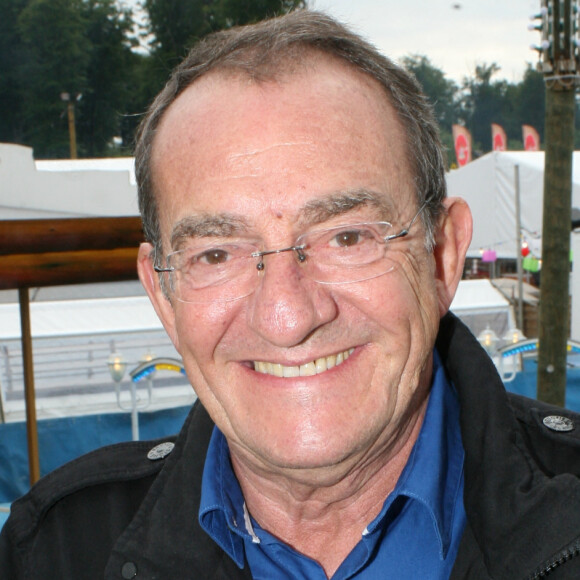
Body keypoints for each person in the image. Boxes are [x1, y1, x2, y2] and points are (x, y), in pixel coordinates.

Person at [2, 9, 580, 580]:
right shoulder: (53, 551)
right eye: (216, 254)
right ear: (162, 291)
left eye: (346, 236)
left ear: (443, 256)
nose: (286, 317)